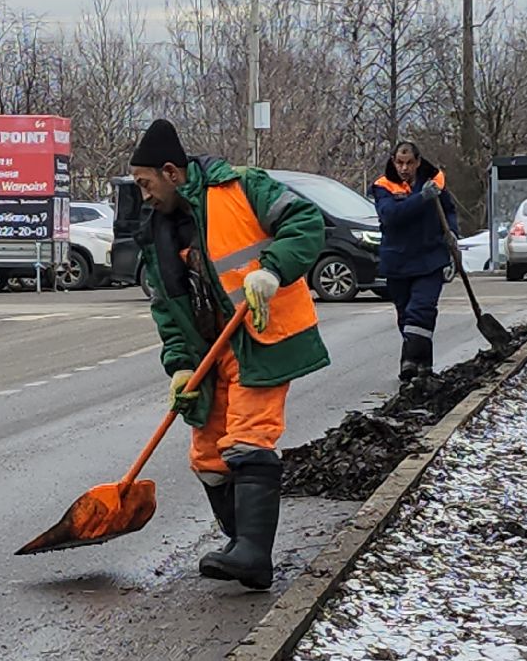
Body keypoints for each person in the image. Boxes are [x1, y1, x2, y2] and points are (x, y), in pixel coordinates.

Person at [129, 118, 330, 591]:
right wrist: (179, 366)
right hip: (208, 351)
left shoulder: (241, 187)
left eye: (146, 183)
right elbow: (166, 310)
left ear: (172, 172)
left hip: (259, 333)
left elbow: (306, 222)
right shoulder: (155, 235)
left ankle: (255, 556)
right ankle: (242, 544)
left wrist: (273, 270)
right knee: (208, 458)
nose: (144, 195)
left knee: (248, 438)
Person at [369, 141, 459, 381]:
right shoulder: (383, 187)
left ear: (418, 162)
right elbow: (391, 217)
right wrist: (421, 198)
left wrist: (452, 232)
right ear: (393, 161)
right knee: (406, 316)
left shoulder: (434, 182)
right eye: (399, 162)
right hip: (397, 262)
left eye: (409, 163)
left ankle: (409, 360)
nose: (404, 168)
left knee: (421, 309)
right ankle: (423, 366)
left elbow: (449, 210)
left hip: (430, 259)